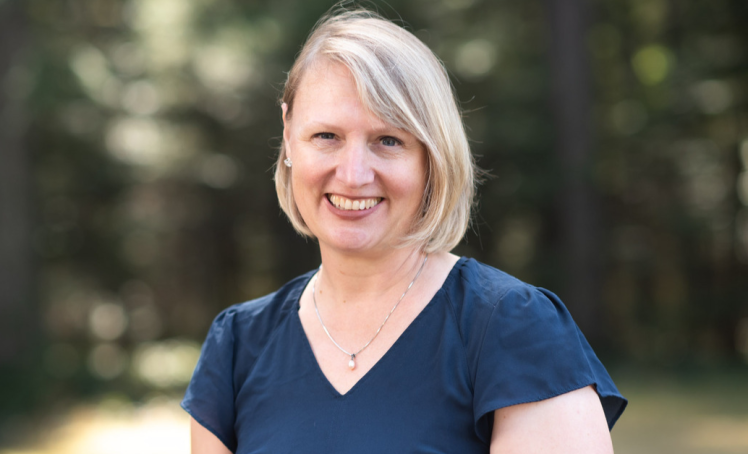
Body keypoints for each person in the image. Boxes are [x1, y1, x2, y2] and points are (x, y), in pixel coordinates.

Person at [183, 7, 626, 454]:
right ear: (288, 134)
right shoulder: (238, 345)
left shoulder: (515, 329)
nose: (353, 174)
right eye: (327, 136)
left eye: (388, 140)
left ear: (431, 157)